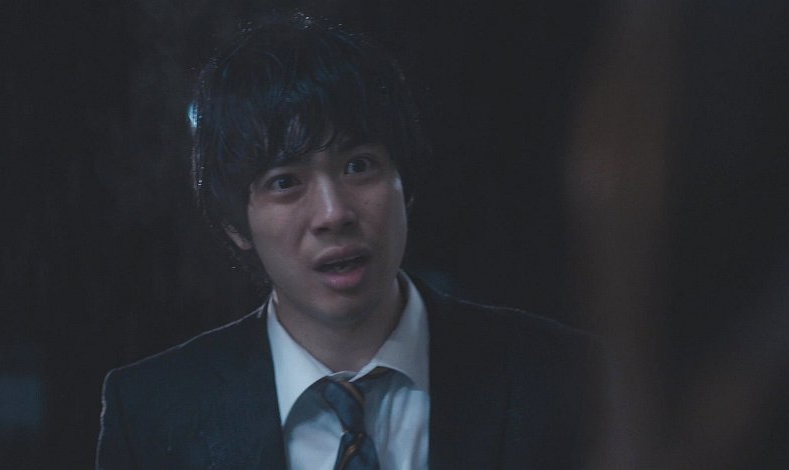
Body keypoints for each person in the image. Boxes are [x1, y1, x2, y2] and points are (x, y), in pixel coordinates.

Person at [96, 12, 605, 469]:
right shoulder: (152, 413)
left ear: (405, 183)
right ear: (235, 225)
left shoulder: (562, 379)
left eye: (358, 166)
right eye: (285, 182)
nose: (334, 213)